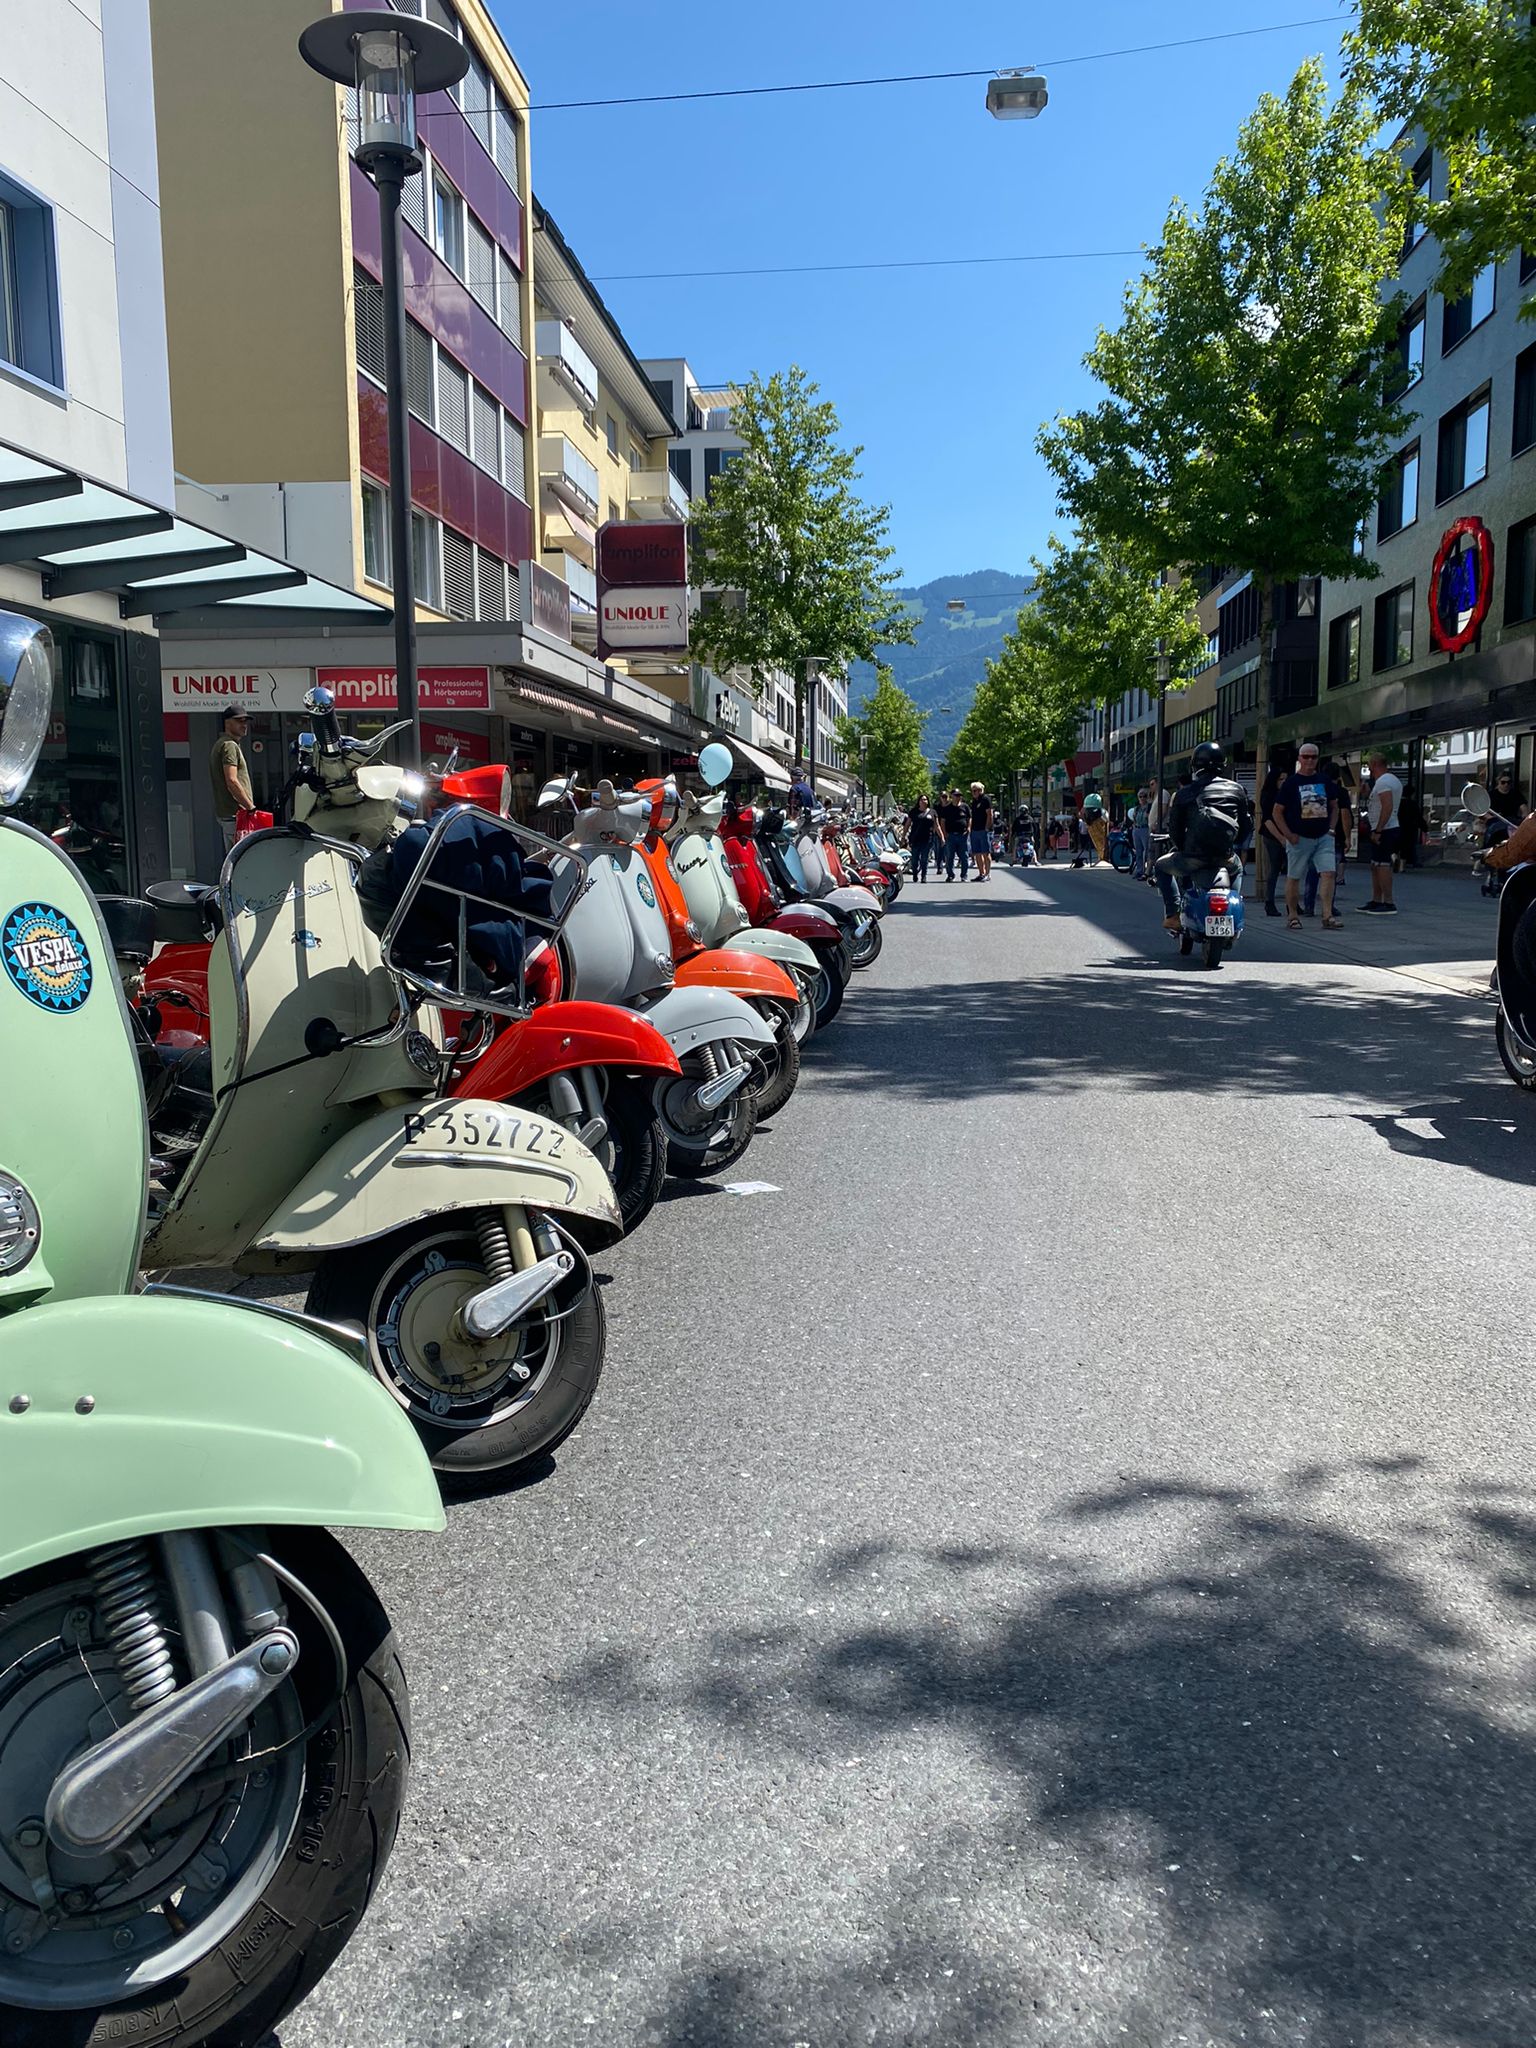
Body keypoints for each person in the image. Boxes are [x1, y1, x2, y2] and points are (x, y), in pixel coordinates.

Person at [1155, 742, 1253, 931]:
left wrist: (1183, 848)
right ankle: (1233, 909)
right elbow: (1246, 824)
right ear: (1223, 764)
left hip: (1193, 857)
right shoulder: (1236, 789)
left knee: (1160, 866)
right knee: (1238, 868)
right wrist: (1233, 844)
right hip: (1224, 856)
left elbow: (1175, 830)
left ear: (1194, 766)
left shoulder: (1184, 793)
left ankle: (1173, 915)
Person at [1273, 741, 1343, 930]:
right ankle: (1293, 915)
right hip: (1299, 837)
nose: (1310, 760)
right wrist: (1288, 835)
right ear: (1300, 759)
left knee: (1328, 873)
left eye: (1313, 757)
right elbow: (1277, 811)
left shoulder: (1324, 781)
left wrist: (1331, 829)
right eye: (1306, 757)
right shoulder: (1291, 783)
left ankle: (1327, 915)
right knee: (1294, 876)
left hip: (1323, 836)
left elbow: (1334, 806)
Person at [1304, 760, 1353, 916]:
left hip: (1315, 834)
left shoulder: (1316, 789)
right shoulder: (1340, 791)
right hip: (1334, 836)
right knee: (1330, 873)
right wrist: (1347, 837)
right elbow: (1345, 814)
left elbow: (1310, 813)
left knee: (1312, 872)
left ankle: (1309, 906)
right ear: (1338, 776)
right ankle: (1328, 906)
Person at [1257, 744, 1297, 918]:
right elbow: (1267, 819)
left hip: (1286, 833)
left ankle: (1292, 902)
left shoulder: (1288, 795)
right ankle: (1270, 902)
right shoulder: (1269, 795)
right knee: (1274, 868)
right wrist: (1281, 838)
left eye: (1285, 779)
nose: (1284, 782)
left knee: (1292, 870)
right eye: (1281, 779)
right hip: (1272, 835)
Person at [1361, 750, 1403, 914]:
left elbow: (1387, 806)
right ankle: (1377, 899)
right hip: (1386, 827)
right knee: (1376, 864)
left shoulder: (1383, 782)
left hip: (1385, 829)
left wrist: (1378, 830)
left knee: (1382, 864)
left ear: (1374, 765)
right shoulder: (1390, 780)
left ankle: (1388, 902)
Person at [210, 706, 254, 851]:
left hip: (231, 815)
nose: (244, 725)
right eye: (239, 721)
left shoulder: (222, 744)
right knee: (243, 859)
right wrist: (250, 807)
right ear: (227, 723)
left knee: (236, 859)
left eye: (246, 721)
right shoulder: (229, 745)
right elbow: (232, 780)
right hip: (236, 816)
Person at [941, 788, 970, 881]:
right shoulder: (947, 808)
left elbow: (969, 818)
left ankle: (964, 875)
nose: (958, 797)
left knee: (964, 856)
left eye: (959, 795)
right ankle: (950, 875)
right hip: (951, 835)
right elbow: (942, 821)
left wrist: (968, 828)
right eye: (956, 795)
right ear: (951, 796)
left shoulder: (965, 807)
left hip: (963, 835)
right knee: (950, 856)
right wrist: (945, 833)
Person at [968, 782, 994, 880]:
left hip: (984, 830)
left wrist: (987, 828)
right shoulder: (974, 801)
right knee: (977, 853)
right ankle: (981, 873)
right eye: (972, 791)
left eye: (975, 791)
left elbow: (989, 814)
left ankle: (987, 874)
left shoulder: (985, 799)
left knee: (986, 852)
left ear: (980, 790)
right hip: (975, 829)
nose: (973, 793)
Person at [907, 794, 935, 882]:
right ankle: (915, 873)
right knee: (915, 859)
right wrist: (904, 836)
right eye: (922, 799)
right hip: (915, 839)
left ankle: (924, 876)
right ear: (918, 801)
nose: (923, 801)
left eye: (925, 799)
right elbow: (907, 824)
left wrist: (941, 837)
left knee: (924, 859)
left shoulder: (932, 812)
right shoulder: (914, 812)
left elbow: (936, 825)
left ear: (928, 801)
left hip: (927, 839)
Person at [1131, 784, 1153, 879]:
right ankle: (1139, 870)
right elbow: (1134, 818)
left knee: (1147, 851)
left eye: (1144, 796)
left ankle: (1147, 871)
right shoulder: (1137, 808)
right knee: (1138, 851)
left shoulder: (1149, 807)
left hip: (1145, 829)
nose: (1142, 798)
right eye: (1140, 796)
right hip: (1137, 829)